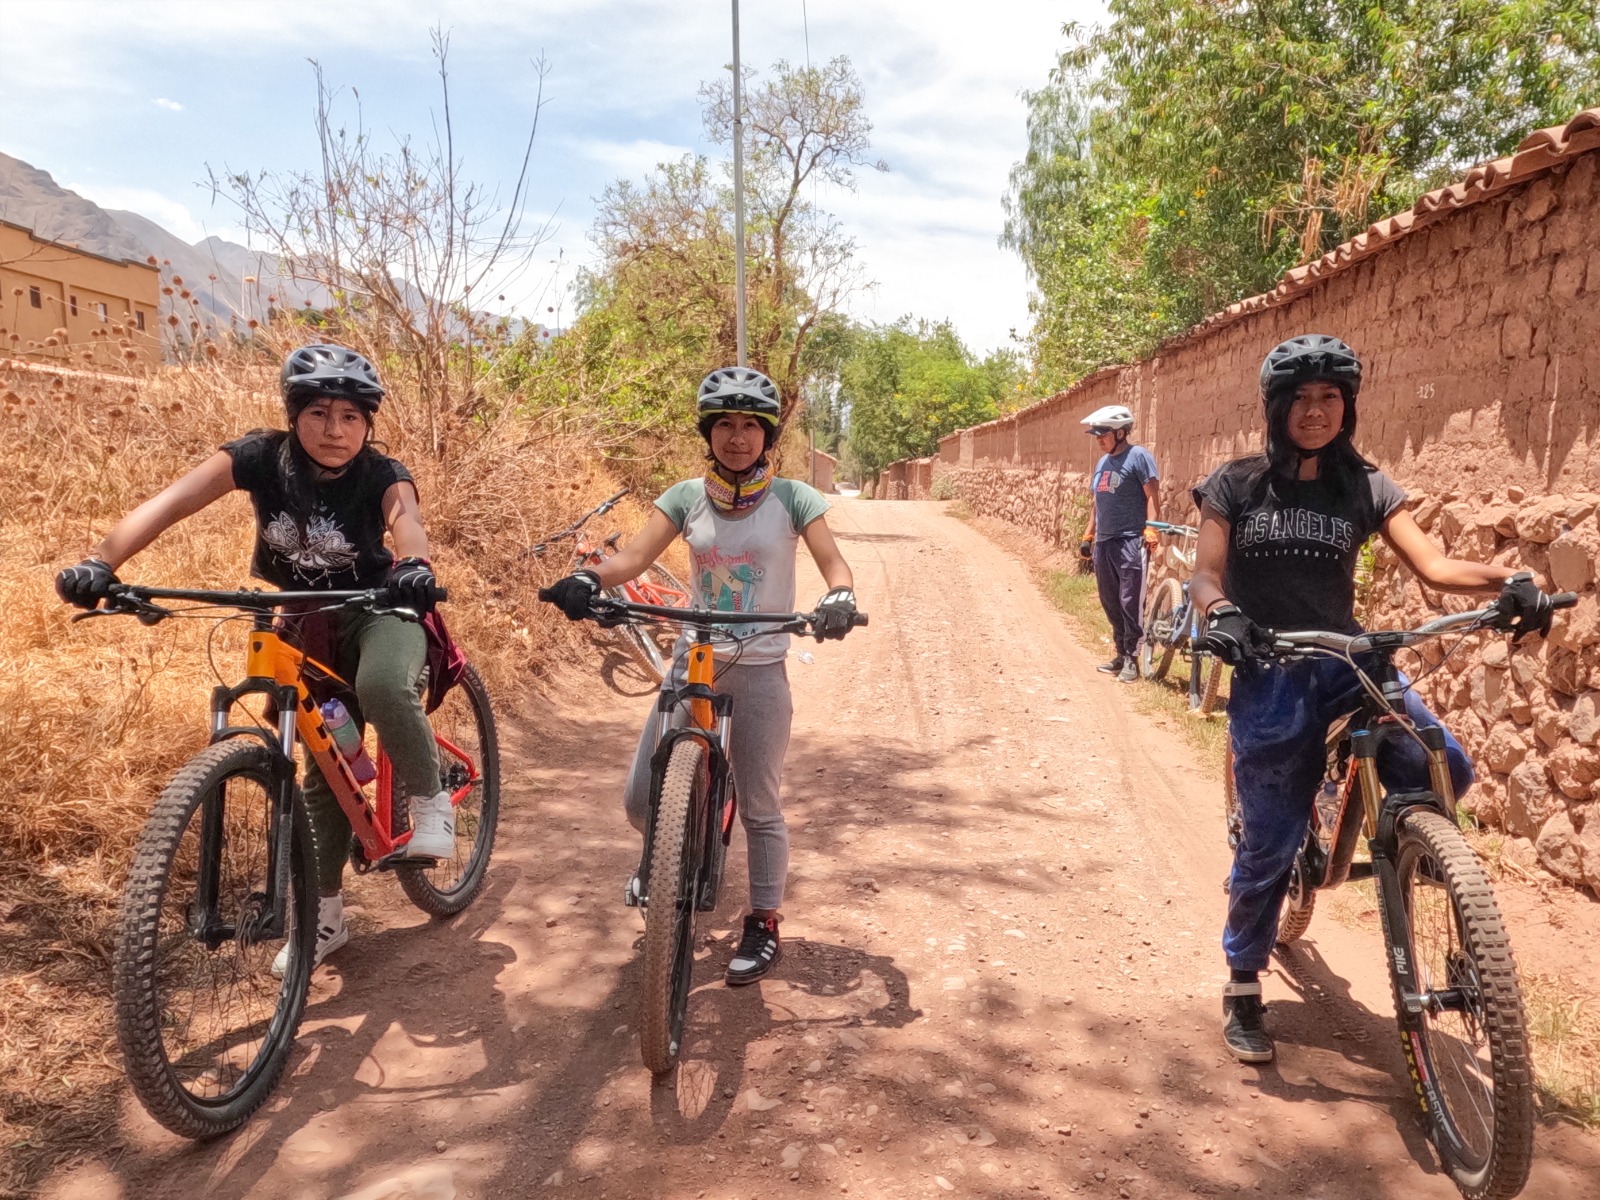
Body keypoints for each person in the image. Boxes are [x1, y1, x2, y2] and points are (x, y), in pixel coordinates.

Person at [1189, 334, 1556, 1063]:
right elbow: (1205, 572)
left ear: (1348, 406)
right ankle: (1242, 983)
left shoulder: (1366, 486)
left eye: (1331, 397)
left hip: (1349, 659)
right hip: (1275, 662)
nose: (1316, 411)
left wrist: (1505, 581)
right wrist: (1220, 613)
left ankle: (1432, 876)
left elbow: (1435, 565)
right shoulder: (1236, 484)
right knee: (1270, 839)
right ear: (1276, 407)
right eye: (1302, 398)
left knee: (1443, 763)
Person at [55, 344, 453, 975]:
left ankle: (433, 802)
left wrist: (412, 568)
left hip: (380, 609)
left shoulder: (384, 473)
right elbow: (168, 503)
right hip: (302, 619)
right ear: (293, 415)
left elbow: (408, 526)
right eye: (319, 413)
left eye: (351, 417)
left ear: (368, 425)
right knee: (324, 766)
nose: (334, 430)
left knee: (380, 684)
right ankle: (323, 919)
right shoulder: (258, 458)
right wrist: (102, 563)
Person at [542, 366, 858, 986]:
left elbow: (835, 565)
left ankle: (763, 920)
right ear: (707, 432)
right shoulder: (685, 497)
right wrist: (588, 579)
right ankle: (667, 862)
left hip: (762, 664)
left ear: (767, 436)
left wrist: (839, 598)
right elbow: (633, 558)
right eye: (724, 425)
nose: (737, 438)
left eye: (749, 426)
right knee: (641, 798)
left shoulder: (795, 498)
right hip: (695, 660)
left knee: (761, 803)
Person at [1078, 404, 1161, 683]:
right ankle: (1120, 653)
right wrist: (1088, 536)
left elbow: (1152, 496)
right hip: (1105, 543)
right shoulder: (1102, 463)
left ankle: (1132, 658)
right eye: (1096, 435)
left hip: (1130, 541)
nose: (1099, 439)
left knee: (1130, 601)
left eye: (1104, 434)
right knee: (1110, 600)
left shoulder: (1139, 457)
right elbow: (1097, 504)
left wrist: (1151, 528)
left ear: (1122, 433)